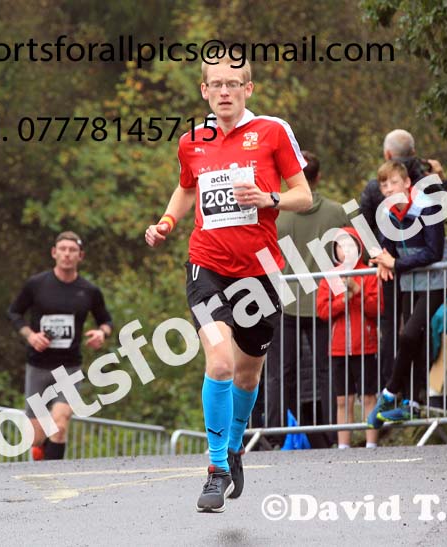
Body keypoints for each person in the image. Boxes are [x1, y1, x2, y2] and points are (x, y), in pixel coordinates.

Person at [144, 55, 312, 513]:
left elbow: (305, 195)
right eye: (215, 84)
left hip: (259, 271)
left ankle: (234, 445)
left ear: (248, 89)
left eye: (233, 84)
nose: (224, 92)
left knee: (246, 372)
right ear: (203, 91)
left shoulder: (273, 132)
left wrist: (270, 197)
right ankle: (216, 468)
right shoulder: (191, 142)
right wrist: (165, 221)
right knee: (218, 362)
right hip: (207, 266)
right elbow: (185, 188)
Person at [260, 151, 349, 447]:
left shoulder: (276, 215)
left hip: (283, 302)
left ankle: (273, 435)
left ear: (291, 177)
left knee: (277, 374)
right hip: (326, 303)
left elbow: (263, 256)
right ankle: (331, 435)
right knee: (327, 373)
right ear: (319, 177)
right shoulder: (337, 212)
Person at [7, 231, 113, 460]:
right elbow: (14, 313)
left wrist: (101, 333)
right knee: (37, 437)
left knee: (59, 423)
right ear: (54, 253)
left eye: (72, 250)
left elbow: (106, 321)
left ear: (80, 256)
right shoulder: (36, 285)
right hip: (38, 367)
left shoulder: (89, 291)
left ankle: (54, 475)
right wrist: (30, 335)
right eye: (62, 249)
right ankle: (41, 466)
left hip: (69, 369)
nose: (67, 254)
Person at [360, 130, 447, 387]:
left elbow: (435, 245)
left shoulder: (426, 198)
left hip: (431, 275)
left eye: (393, 183)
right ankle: (399, 391)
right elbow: (380, 233)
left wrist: (394, 262)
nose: (388, 189)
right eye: (384, 185)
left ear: (407, 183)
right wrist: (380, 258)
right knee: (403, 332)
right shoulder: (392, 205)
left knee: (410, 331)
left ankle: (400, 390)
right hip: (403, 273)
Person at [316, 227, 382, 449]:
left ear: (359, 248)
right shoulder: (332, 275)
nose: (346, 250)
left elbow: (377, 308)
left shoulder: (368, 273)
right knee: (343, 399)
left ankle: (371, 443)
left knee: (369, 397)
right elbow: (322, 311)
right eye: (341, 246)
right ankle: (343, 445)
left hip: (366, 346)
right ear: (335, 250)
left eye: (350, 245)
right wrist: (343, 300)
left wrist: (358, 292)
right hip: (339, 347)